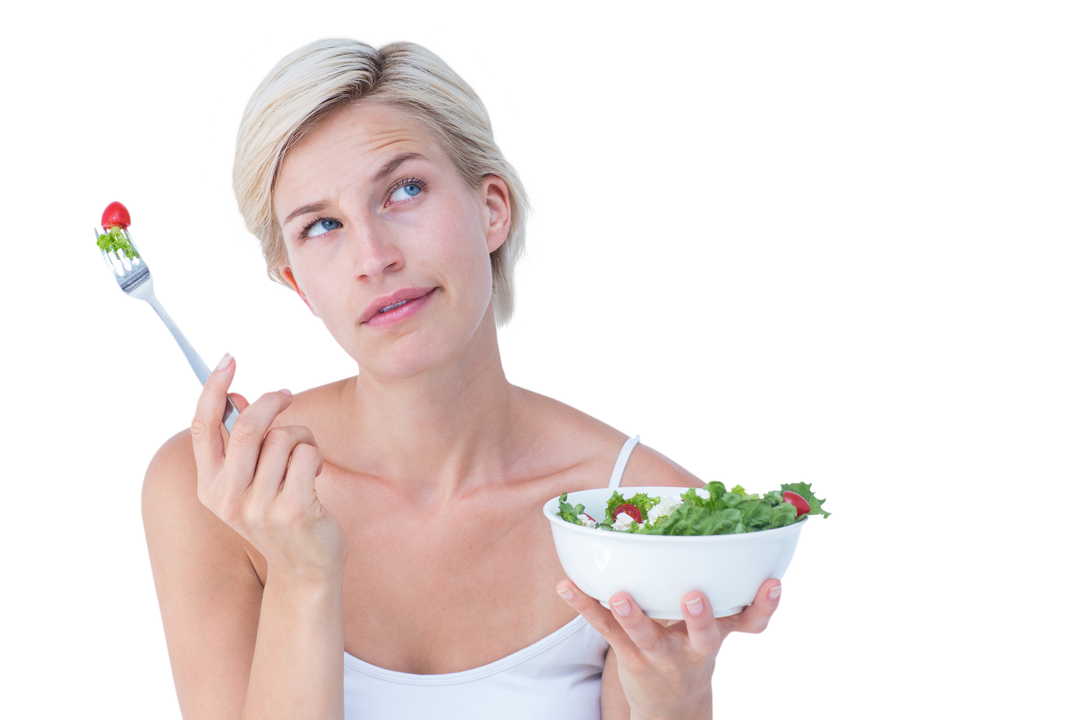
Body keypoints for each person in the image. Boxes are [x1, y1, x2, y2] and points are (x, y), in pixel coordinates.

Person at [138, 33, 785, 720]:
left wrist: (677, 698)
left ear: (492, 208)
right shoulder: (209, 491)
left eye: (404, 189)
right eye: (322, 225)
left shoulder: (644, 512)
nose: (374, 256)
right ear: (297, 284)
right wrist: (302, 573)